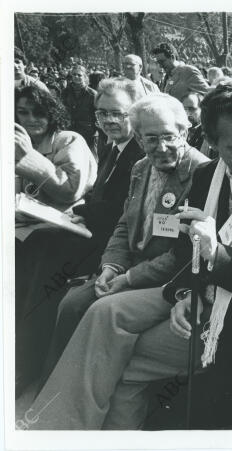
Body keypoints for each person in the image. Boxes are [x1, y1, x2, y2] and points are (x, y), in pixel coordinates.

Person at [28, 83, 232, 430]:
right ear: (214, 144)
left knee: (124, 361)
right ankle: (57, 427)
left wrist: (217, 256)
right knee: (104, 311)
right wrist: (186, 292)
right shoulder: (208, 175)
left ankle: (62, 429)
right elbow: (185, 251)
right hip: (199, 295)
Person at [37, 93, 209, 389]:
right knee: (71, 304)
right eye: (150, 139)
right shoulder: (141, 167)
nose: (161, 147)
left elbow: (179, 253)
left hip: (164, 280)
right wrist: (110, 267)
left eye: (169, 136)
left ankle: (79, 390)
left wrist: (129, 278)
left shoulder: (201, 174)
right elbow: (123, 224)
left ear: (184, 132)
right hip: (127, 268)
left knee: (95, 312)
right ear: (139, 140)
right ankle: (54, 387)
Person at [15, 79, 146, 396]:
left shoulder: (141, 150)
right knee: (32, 247)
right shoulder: (113, 147)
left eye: (117, 113)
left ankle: (31, 366)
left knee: (47, 259)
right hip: (94, 233)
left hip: (114, 247)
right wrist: (84, 212)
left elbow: (126, 211)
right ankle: (22, 353)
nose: (109, 121)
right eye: (102, 114)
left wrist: (85, 212)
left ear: (136, 112)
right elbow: (104, 198)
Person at [15, 85, 97, 213]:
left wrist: (29, 158)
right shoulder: (17, 143)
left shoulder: (68, 139)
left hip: (61, 222)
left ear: (51, 113)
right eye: (23, 112)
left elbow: (70, 191)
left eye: (39, 112)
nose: (31, 119)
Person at [61, 65, 97, 148]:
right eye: (74, 74)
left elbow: (97, 115)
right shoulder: (65, 92)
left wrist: (93, 131)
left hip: (87, 133)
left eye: (79, 75)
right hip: (69, 131)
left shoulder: (92, 94)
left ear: (84, 76)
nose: (76, 76)